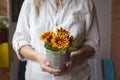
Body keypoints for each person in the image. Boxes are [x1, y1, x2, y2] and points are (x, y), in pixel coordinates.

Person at [12, 0, 100, 80]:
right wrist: (38, 58)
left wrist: (75, 56)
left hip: (76, 76)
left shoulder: (85, 3)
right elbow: (20, 41)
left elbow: (92, 42)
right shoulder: (30, 3)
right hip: (37, 76)